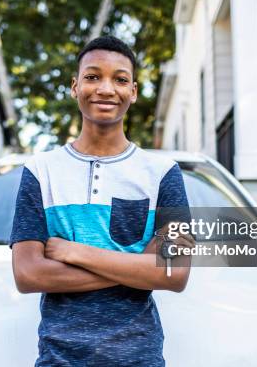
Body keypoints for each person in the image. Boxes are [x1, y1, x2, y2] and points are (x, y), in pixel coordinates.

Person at [10, 35, 192, 366]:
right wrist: (140, 267)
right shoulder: (40, 171)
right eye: (93, 77)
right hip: (58, 358)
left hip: (139, 356)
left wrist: (76, 253)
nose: (106, 89)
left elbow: (174, 274)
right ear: (74, 86)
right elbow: (27, 275)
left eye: (120, 79)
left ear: (133, 92)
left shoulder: (164, 174)